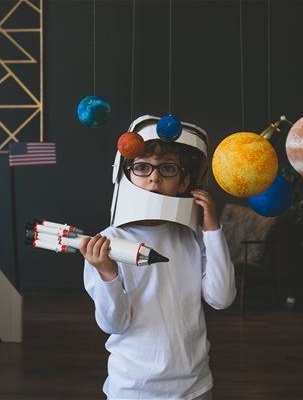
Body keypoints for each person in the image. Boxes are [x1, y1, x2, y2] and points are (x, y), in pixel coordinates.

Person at [80, 115, 236, 400]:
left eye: (167, 168)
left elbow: (221, 298)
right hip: (133, 388)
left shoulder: (192, 236)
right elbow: (113, 324)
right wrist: (107, 274)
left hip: (194, 385)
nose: (154, 177)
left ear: (183, 181)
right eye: (142, 167)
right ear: (126, 175)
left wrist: (212, 230)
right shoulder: (106, 243)